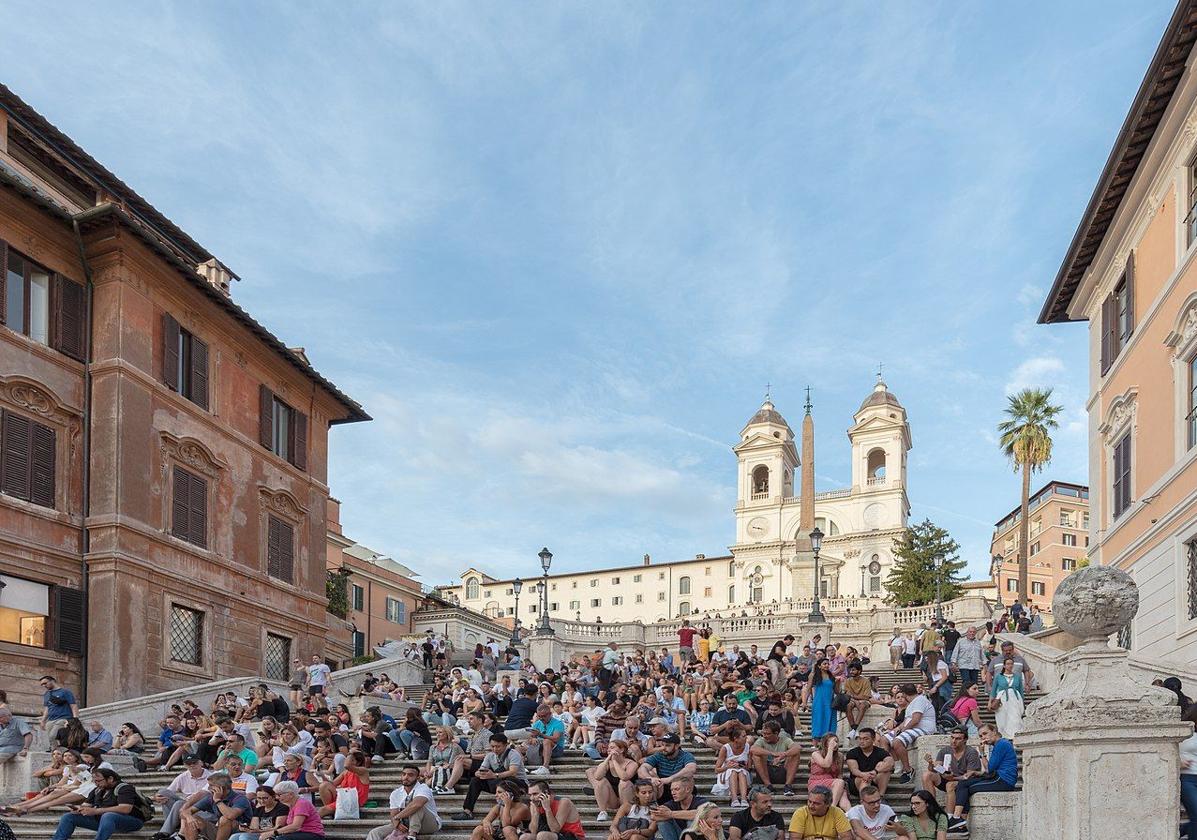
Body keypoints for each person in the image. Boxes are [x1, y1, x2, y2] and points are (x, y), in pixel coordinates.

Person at [944, 725, 1018, 833]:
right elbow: (989, 770)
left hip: (1003, 780)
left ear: (994, 731)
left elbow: (989, 769)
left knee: (964, 786)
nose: (983, 737)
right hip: (997, 777)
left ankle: (956, 820)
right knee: (964, 784)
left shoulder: (1001, 744)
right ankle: (960, 824)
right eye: (980, 735)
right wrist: (975, 772)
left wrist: (982, 752)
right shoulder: (998, 744)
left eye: (985, 733)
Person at [49, 768, 147, 840]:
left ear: (110, 779)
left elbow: (125, 808)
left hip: (132, 822)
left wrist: (96, 811)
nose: (96, 783)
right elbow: (86, 806)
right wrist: (78, 809)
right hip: (104, 823)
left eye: (98, 781)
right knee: (68, 817)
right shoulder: (97, 790)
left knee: (108, 815)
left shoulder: (124, 788)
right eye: (94, 781)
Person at [455, 732, 526, 821]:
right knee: (475, 780)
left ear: (505, 745)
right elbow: (480, 770)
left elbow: (513, 772)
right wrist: (481, 774)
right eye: (492, 746)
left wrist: (494, 775)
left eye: (498, 746)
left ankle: (506, 809)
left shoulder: (513, 754)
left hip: (517, 783)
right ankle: (467, 810)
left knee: (502, 776)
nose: (495, 749)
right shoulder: (490, 755)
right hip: (497, 783)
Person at [365, 765, 441, 839]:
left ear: (417, 778)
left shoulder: (423, 788)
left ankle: (411, 836)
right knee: (375, 832)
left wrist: (397, 818)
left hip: (428, 824)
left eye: (410, 775)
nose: (406, 777)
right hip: (405, 824)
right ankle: (409, 833)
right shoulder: (396, 793)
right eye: (404, 774)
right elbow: (393, 814)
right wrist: (397, 824)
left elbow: (417, 804)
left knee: (416, 807)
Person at [919, 729, 980, 815]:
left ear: (965, 740)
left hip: (963, 782)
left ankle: (949, 817)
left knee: (949, 785)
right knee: (927, 775)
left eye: (958, 739)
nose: (953, 741)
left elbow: (970, 776)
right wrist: (930, 764)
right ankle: (932, 808)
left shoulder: (971, 752)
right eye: (952, 738)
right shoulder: (945, 750)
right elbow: (936, 768)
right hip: (948, 777)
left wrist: (953, 778)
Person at [880, 685, 934, 783]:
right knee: (884, 739)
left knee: (897, 741)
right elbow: (906, 721)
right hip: (912, 728)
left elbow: (915, 720)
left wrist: (904, 730)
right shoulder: (911, 704)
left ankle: (908, 770)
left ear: (904, 694)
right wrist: (898, 729)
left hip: (923, 729)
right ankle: (892, 765)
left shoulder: (920, 700)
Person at [150, 755, 212, 840]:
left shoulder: (211, 776)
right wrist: (155, 797)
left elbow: (203, 794)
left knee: (180, 804)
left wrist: (186, 804)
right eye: (189, 763)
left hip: (202, 809)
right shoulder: (183, 776)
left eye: (194, 762)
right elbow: (169, 791)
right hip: (185, 807)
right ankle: (171, 827)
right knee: (163, 793)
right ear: (185, 765)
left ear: (201, 763)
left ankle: (165, 832)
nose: (192, 765)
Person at [180, 773, 253, 840]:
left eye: (211, 786)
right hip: (221, 831)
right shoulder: (210, 798)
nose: (209, 788)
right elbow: (185, 812)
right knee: (192, 819)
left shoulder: (240, 799)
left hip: (242, 831)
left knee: (225, 819)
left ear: (222, 788)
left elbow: (230, 816)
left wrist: (218, 800)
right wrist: (189, 817)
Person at [586, 739, 638, 822]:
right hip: (613, 800)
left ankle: (626, 812)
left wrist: (614, 761)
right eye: (608, 748)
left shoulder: (632, 764)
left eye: (612, 747)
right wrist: (607, 760)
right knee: (600, 781)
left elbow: (624, 777)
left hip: (629, 798)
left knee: (624, 783)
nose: (609, 750)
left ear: (621, 750)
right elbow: (597, 776)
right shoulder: (607, 763)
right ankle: (602, 812)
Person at [748, 720, 801, 797]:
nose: (765, 736)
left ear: (776, 733)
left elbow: (798, 748)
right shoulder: (761, 740)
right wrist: (773, 754)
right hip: (766, 772)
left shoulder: (784, 739)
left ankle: (788, 786)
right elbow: (753, 749)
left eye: (768, 734)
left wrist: (784, 755)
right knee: (757, 755)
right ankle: (768, 785)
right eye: (763, 733)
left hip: (782, 770)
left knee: (795, 754)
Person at [639, 733, 698, 801]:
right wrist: (650, 778)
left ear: (676, 746)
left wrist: (670, 779)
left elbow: (691, 769)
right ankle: (654, 805)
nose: (663, 748)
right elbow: (642, 769)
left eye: (667, 745)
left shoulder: (686, 755)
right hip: (664, 789)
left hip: (680, 788)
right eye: (663, 745)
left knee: (689, 778)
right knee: (651, 775)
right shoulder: (658, 755)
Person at [258, 780, 324, 840]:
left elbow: (295, 826)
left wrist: (272, 833)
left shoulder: (302, 803)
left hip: (312, 834)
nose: (277, 798)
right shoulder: (290, 804)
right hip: (299, 833)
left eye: (279, 795)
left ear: (291, 794)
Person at [315, 750, 369, 818]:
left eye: (351, 760)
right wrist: (322, 775)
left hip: (354, 800)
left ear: (358, 762)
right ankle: (331, 812)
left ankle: (311, 825)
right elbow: (332, 784)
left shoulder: (363, 771)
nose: (346, 761)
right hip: (343, 798)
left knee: (322, 810)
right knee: (324, 785)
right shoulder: (346, 772)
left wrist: (350, 754)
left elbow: (347, 765)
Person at [844, 728, 894, 799]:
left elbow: (891, 763)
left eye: (865, 739)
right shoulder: (852, 753)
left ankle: (880, 797)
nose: (862, 741)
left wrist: (875, 771)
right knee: (864, 780)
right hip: (857, 782)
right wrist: (865, 775)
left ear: (873, 740)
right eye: (860, 738)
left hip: (875, 780)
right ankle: (864, 801)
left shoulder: (880, 751)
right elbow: (854, 770)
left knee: (883, 765)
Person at [787, 785, 851, 839]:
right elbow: (795, 838)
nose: (811, 806)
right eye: (809, 801)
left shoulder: (837, 812)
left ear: (828, 804)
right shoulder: (800, 813)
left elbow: (847, 837)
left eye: (816, 803)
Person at [807, 735, 850, 812]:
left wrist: (841, 786)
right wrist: (830, 749)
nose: (835, 744)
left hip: (833, 782)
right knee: (839, 782)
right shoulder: (816, 754)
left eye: (836, 741)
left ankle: (851, 815)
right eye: (831, 742)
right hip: (816, 782)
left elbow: (839, 774)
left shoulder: (839, 756)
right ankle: (831, 809)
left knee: (843, 794)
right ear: (825, 743)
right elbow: (826, 764)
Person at [714, 726, 752, 808]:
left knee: (741, 772)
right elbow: (717, 770)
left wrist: (741, 765)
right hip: (727, 775)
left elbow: (749, 768)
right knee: (733, 771)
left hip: (743, 775)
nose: (746, 738)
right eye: (744, 736)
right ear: (736, 739)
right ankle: (734, 799)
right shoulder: (725, 748)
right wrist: (727, 766)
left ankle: (744, 799)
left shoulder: (747, 746)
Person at [988, 658, 1025, 739]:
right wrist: (990, 702)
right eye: (1008, 664)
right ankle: (1005, 736)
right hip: (1002, 699)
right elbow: (993, 690)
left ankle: (1016, 735)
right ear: (1004, 665)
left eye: (1011, 664)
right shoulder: (998, 677)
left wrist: (1022, 703)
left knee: (1016, 718)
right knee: (1003, 718)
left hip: (1015, 698)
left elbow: (1021, 690)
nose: (1010, 665)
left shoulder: (1017, 677)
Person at [805, 660, 838, 740]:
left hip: (830, 702)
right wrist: (804, 702)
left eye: (828, 664)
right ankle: (815, 742)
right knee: (818, 721)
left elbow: (836, 691)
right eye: (824, 664)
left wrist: (838, 682)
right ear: (819, 666)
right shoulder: (814, 675)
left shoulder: (831, 676)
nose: (826, 665)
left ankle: (829, 741)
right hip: (819, 702)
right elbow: (808, 689)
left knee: (831, 721)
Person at [842, 663, 872, 738]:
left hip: (863, 701)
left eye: (853, 670)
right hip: (853, 700)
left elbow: (866, 697)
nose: (851, 672)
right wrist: (855, 701)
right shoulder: (848, 681)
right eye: (850, 670)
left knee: (862, 706)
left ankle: (853, 729)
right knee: (848, 706)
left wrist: (854, 697)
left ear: (859, 671)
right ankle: (854, 729)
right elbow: (848, 695)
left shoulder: (866, 681)